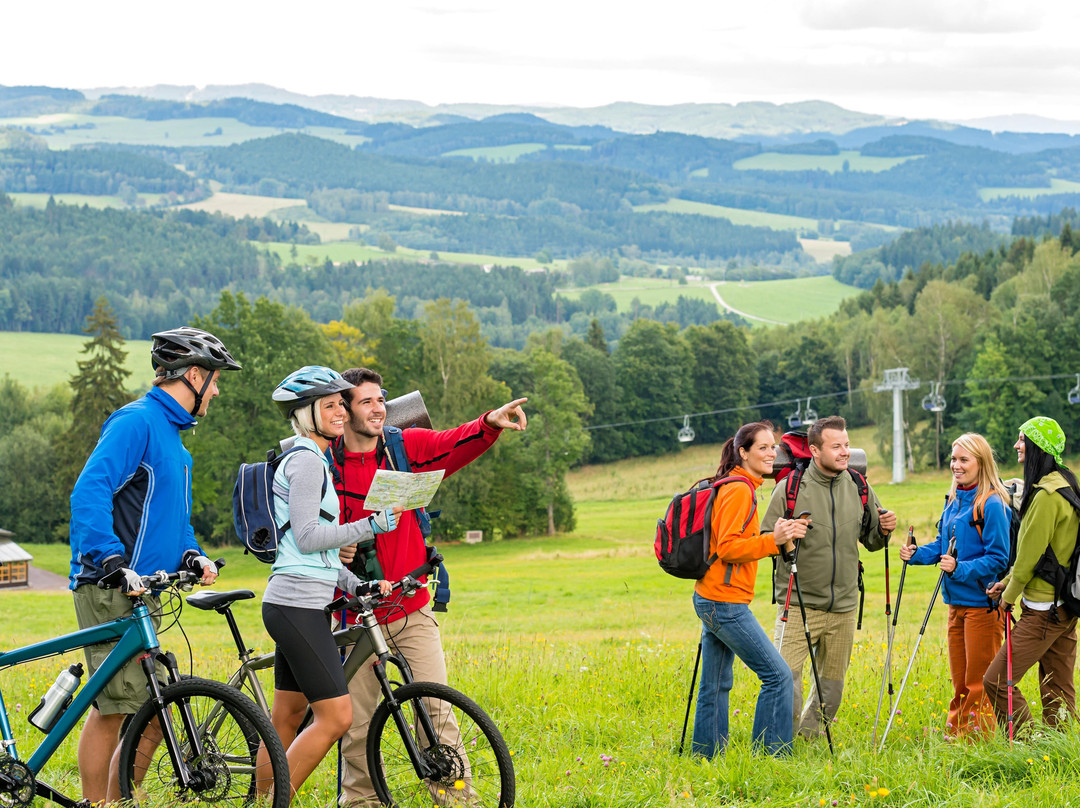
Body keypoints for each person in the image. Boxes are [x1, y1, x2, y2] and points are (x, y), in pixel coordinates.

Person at [329, 367, 527, 808]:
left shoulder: (404, 447)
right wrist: (334, 548)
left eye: (381, 399)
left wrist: (490, 423)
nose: (378, 409)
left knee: (436, 713)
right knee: (356, 726)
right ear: (343, 409)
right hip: (354, 617)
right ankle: (361, 802)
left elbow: (452, 443)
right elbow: (303, 531)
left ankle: (457, 800)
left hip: (410, 606)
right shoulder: (324, 463)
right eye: (366, 401)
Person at [68, 326, 240, 804]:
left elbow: (173, 520)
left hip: (145, 592)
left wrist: (192, 554)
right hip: (110, 585)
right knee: (115, 706)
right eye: (215, 380)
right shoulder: (136, 422)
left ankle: (119, 797)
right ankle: (99, 803)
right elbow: (89, 493)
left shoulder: (175, 442)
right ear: (194, 376)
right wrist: (111, 559)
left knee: (153, 709)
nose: (217, 391)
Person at [257, 366, 399, 797]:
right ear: (307, 413)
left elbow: (313, 556)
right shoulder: (306, 462)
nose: (341, 412)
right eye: (330, 405)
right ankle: (276, 802)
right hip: (296, 605)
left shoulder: (314, 458)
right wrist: (370, 525)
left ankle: (259, 799)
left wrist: (356, 585)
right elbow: (308, 536)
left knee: (287, 716)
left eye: (342, 404)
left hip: (300, 601)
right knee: (336, 717)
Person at [760, 415, 896, 739]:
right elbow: (765, 539)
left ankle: (808, 741)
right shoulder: (790, 489)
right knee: (786, 682)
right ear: (815, 450)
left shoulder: (859, 487)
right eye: (836, 446)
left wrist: (884, 530)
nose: (845, 452)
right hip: (798, 604)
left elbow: (872, 541)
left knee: (831, 692)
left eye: (846, 445)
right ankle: (780, 745)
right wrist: (785, 535)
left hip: (844, 607)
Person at [692, 422, 809, 758]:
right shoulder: (739, 490)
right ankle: (771, 757)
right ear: (743, 452)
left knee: (715, 684)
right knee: (778, 676)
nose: (772, 454)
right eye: (763, 447)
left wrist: (773, 537)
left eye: (773, 447)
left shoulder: (735, 484)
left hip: (711, 596)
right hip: (725, 603)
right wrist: (774, 540)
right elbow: (728, 547)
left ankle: (706, 756)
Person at [899, 433, 1010, 738]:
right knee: (960, 681)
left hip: (983, 606)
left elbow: (999, 558)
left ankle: (976, 743)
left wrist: (960, 569)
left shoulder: (993, 504)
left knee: (979, 682)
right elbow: (942, 545)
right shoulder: (953, 499)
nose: (956, 465)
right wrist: (915, 554)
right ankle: (956, 737)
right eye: (953, 459)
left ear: (981, 462)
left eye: (963, 460)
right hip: (955, 604)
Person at [983, 416, 1080, 734]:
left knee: (996, 681)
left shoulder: (1047, 495)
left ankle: (1028, 744)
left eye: (1023, 439)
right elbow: (1042, 555)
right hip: (1066, 606)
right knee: (1059, 688)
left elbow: (1028, 557)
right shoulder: (1066, 483)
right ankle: (1062, 747)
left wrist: (1007, 597)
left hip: (1043, 611)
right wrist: (1006, 582)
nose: (1017, 445)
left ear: (1039, 447)